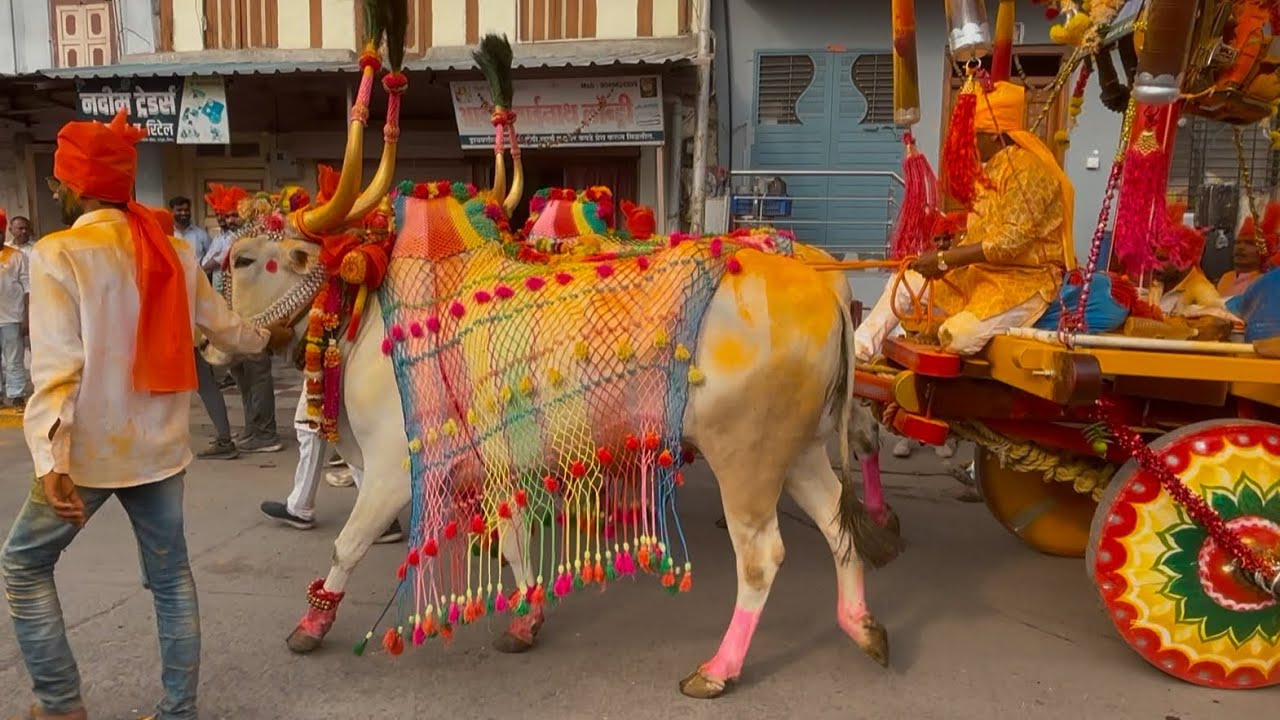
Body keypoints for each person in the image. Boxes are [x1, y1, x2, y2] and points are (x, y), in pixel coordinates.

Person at [0, 109, 293, 720]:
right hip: (160, 449)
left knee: (24, 565)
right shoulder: (173, 254)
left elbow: (58, 371)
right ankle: (177, 711)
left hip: (86, 453)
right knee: (170, 579)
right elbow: (227, 328)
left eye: (57, 181)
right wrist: (271, 337)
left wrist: (50, 457)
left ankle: (59, 705)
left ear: (77, 188)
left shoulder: (60, 254)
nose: (54, 191)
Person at [855, 80, 1075, 360]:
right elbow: (980, 234)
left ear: (995, 135)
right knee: (902, 284)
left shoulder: (1028, 171)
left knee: (957, 336)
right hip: (978, 277)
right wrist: (945, 252)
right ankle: (857, 353)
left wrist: (946, 260)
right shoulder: (990, 171)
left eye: (976, 133)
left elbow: (1008, 244)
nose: (971, 140)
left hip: (1022, 283)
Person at [258, 392, 403, 543]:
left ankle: (379, 517)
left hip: (330, 371)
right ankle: (380, 516)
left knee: (314, 424)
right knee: (340, 431)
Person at [203, 185, 283, 453]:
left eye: (231, 214)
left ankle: (266, 433)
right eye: (223, 215)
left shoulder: (256, 239)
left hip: (252, 315)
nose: (228, 219)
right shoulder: (227, 239)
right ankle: (253, 427)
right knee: (241, 374)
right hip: (230, 314)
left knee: (257, 371)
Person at [1217, 202, 1279, 299]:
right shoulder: (1226, 278)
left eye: (1249, 243)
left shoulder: (1265, 281)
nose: (1240, 247)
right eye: (1237, 242)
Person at [0, 210, 30, 409]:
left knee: (14, 359)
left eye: (0, 232)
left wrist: (26, 317)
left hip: (12, 317)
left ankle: (17, 394)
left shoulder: (17, 256)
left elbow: (28, 289)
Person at [168, 196, 211, 272]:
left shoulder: (201, 234)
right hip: (174, 280)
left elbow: (211, 256)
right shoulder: (167, 235)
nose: (183, 213)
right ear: (172, 211)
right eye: (179, 210)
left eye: (186, 210)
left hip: (197, 280)